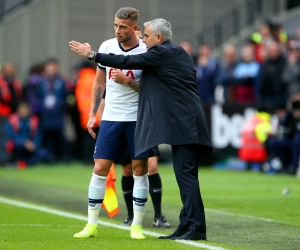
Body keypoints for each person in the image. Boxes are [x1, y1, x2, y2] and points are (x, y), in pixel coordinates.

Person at [70, 18, 213, 241]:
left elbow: (127, 61)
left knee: (185, 176)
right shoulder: (178, 53)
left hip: (185, 123)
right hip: (186, 121)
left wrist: (92, 55)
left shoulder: (160, 53)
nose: (144, 40)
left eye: (146, 36)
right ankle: (187, 225)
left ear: (158, 37)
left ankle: (196, 227)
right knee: (185, 175)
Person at [72, 7, 154, 240]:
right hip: (111, 117)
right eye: (115, 25)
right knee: (99, 168)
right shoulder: (107, 47)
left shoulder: (146, 50)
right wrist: (92, 114)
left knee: (139, 170)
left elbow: (153, 88)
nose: (118, 30)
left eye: (123, 27)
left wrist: (129, 83)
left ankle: (136, 225)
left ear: (135, 28)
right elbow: (99, 84)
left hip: (138, 119)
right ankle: (91, 225)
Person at [99, 91, 170, 227]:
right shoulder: (115, 75)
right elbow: (103, 103)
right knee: (127, 169)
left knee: (152, 166)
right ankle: (131, 216)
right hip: (122, 128)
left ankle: (158, 216)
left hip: (145, 126)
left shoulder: (142, 73)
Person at [6, 101, 55, 167]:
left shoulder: (34, 120)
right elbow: (11, 136)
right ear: (18, 110)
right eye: (22, 109)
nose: (24, 111)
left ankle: (23, 163)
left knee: (47, 156)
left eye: (26, 109)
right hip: (18, 146)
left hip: (31, 145)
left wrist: (34, 144)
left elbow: (38, 136)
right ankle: (19, 161)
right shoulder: (13, 120)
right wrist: (24, 142)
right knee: (19, 147)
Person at [39, 58, 68, 162]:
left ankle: (63, 157)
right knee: (47, 135)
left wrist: (60, 105)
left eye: (53, 67)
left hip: (58, 113)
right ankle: (50, 157)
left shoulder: (61, 81)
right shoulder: (41, 82)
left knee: (59, 135)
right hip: (46, 113)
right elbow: (38, 96)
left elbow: (66, 96)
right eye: (49, 67)